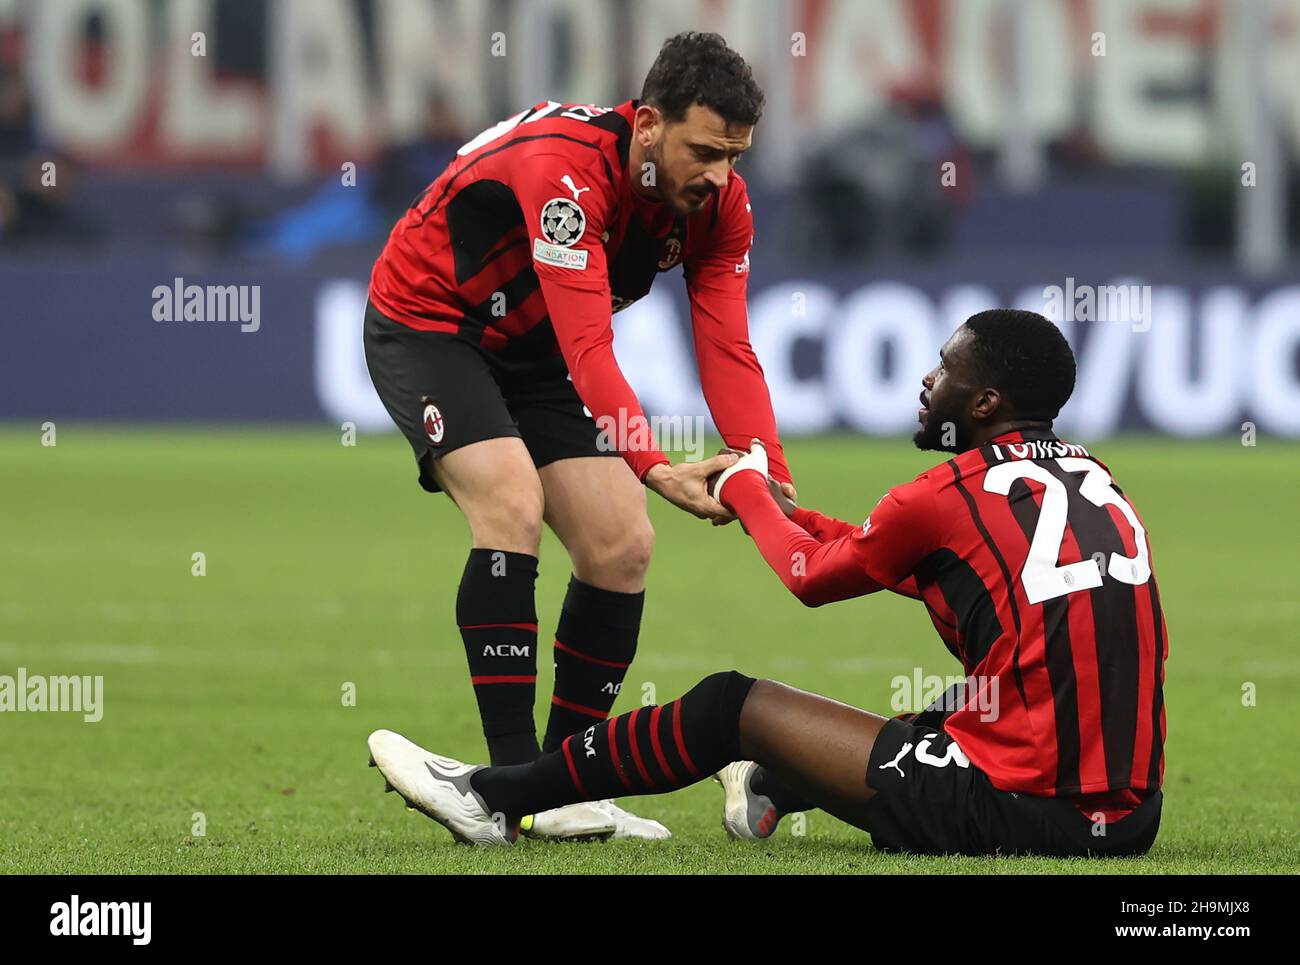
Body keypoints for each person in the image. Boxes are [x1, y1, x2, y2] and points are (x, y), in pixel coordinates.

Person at [367, 310, 1168, 857]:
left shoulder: (945, 495)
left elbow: (811, 577)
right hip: (1131, 818)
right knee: (967, 703)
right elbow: (880, 551)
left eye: (946, 369)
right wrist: (780, 506)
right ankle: (771, 786)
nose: (929, 381)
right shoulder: (1095, 480)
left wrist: (748, 484)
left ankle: (490, 795)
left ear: (986, 401)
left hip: (1024, 811)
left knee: (730, 705)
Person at [363, 32, 794, 839]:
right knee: (512, 504)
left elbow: (727, 343)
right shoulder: (567, 173)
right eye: (704, 151)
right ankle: (503, 787)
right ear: (648, 123)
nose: (719, 176)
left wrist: (763, 460)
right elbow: (592, 349)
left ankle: (563, 786)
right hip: (432, 325)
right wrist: (658, 465)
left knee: (621, 544)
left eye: (735, 156)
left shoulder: (720, 207)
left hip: (535, 350)